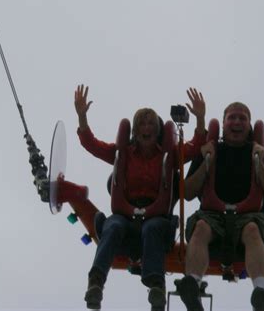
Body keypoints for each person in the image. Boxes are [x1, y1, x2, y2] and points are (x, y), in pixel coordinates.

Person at [74, 84, 206, 311]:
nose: (147, 127)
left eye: (151, 124)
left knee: (152, 228)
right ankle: (95, 283)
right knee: (113, 225)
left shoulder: (169, 155)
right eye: (142, 124)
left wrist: (201, 119)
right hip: (125, 214)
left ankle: (156, 287)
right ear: (135, 130)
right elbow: (91, 144)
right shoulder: (122, 153)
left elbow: (196, 147)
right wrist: (82, 116)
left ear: (158, 130)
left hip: (156, 217)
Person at [178, 102, 264, 311]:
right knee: (200, 227)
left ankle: (260, 292)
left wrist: (259, 163)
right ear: (224, 123)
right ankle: (191, 284)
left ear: (250, 125)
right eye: (232, 118)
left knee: (252, 230)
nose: (237, 122)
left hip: (251, 215)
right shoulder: (209, 149)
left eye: (242, 118)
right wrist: (206, 161)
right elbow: (187, 193)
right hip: (211, 214)